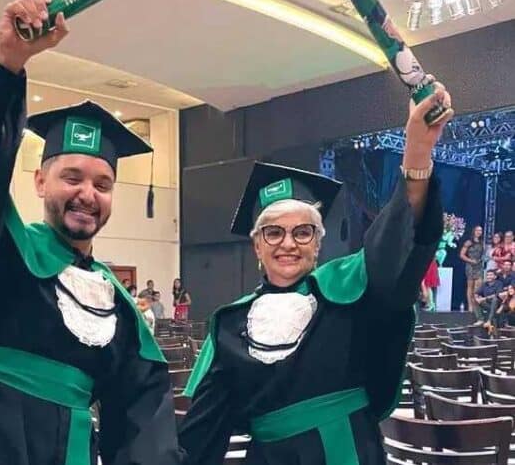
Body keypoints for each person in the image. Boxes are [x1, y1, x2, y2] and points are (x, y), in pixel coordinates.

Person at [0, 0, 183, 465]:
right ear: (40, 182)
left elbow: (143, 416)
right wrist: (6, 64)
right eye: (71, 178)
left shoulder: (119, 309)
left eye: (102, 184)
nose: (88, 194)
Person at [179, 82, 451, 465]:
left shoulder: (350, 287)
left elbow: (393, 245)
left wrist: (417, 151)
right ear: (257, 246)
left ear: (318, 242)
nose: (288, 243)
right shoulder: (230, 325)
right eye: (273, 232)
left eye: (302, 232)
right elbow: (201, 433)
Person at [459, 225, 484, 315]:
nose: (479, 232)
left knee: (478, 287)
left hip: (479, 266)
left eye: (480, 230)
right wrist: (470, 260)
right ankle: (470, 306)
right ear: (474, 231)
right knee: (470, 287)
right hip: (470, 266)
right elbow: (461, 255)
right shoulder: (469, 242)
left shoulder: (482, 242)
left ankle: (476, 306)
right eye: (477, 230)